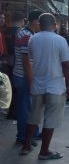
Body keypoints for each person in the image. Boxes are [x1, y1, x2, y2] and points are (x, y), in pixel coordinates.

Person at [20, 13, 69, 160]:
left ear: (40, 24)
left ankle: (26, 146)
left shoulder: (32, 39)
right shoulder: (60, 40)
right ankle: (44, 152)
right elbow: (66, 65)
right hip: (55, 87)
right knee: (50, 119)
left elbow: (30, 60)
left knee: (33, 117)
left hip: (38, 85)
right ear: (54, 25)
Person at [12, 10, 42, 145]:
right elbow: (25, 62)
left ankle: (33, 133)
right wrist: (31, 81)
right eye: (40, 21)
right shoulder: (26, 35)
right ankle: (23, 137)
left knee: (29, 107)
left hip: (24, 75)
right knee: (25, 108)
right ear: (35, 21)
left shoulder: (29, 33)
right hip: (24, 76)